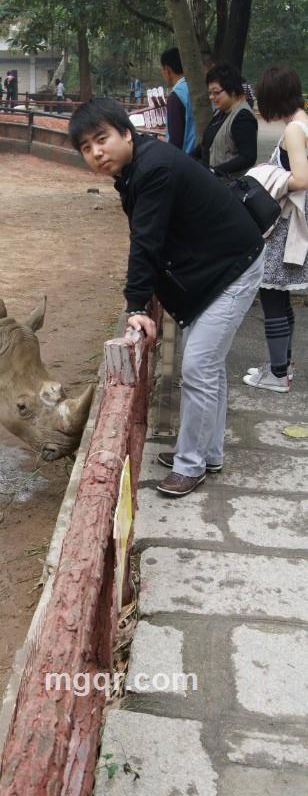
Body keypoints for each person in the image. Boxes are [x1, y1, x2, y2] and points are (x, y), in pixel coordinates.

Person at [69, 97, 264, 497]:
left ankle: (189, 465)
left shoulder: (153, 168)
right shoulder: (137, 167)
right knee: (206, 365)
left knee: (198, 366)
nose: (96, 152)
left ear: (127, 132)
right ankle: (207, 454)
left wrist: (137, 305)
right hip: (215, 267)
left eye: (101, 139)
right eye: (86, 148)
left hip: (234, 267)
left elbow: (146, 241)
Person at [243, 65, 308, 393]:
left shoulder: (295, 129)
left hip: (284, 227)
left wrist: (266, 175)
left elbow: (302, 178)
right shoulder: (302, 122)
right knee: (278, 297)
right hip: (291, 225)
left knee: (272, 296)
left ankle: (279, 373)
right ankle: (282, 364)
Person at [191, 63, 258, 176]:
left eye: (216, 92)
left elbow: (248, 157)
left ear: (232, 90)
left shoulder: (243, 117)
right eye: (210, 93)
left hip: (229, 188)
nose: (211, 97)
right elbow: (207, 143)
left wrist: (214, 171)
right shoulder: (221, 111)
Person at [160, 47, 196, 153]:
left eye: (162, 69)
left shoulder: (175, 97)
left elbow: (175, 141)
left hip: (186, 159)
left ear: (167, 70)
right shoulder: (198, 88)